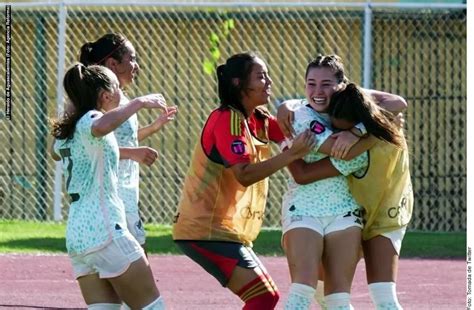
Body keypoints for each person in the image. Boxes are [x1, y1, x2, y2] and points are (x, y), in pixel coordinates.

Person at [172, 52, 316, 309]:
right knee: (263, 296)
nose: (269, 81)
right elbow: (244, 174)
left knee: (265, 296)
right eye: (261, 76)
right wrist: (292, 154)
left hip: (226, 232)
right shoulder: (227, 119)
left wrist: (288, 106)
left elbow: (294, 125)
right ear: (238, 83)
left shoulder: (258, 119)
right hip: (204, 230)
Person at [278, 55, 411, 310]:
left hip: (375, 211)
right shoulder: (303, 117)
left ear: (342, 85)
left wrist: (359, 131)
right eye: (311, 83)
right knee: (308, 289)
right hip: (306, 211)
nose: (317, 91)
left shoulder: (359, 109)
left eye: (326, 84)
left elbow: (399, 102)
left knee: (364, 298)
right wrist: (381, 130)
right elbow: (340, 158)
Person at [50, 63, 166, 309]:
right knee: (153, 307)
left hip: (78, 238)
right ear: (105, 95)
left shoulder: (67, 131)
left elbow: (60, 153)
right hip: (105, 230)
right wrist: (139, 103)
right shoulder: (92, 119)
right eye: (117, 88)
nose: (122, 96)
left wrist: (134, 150)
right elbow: (100, 125)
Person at [79, 33, 178, 252]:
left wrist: (153, 127)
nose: (137, 66)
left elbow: (121, 141)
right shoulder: (101, 100)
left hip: (127, 191)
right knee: (135, 263)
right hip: (108, 193)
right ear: (113, 64)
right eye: (131, 59)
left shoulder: (122, 100)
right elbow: (94, 148)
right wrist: (134, 153)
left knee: (133, 263)